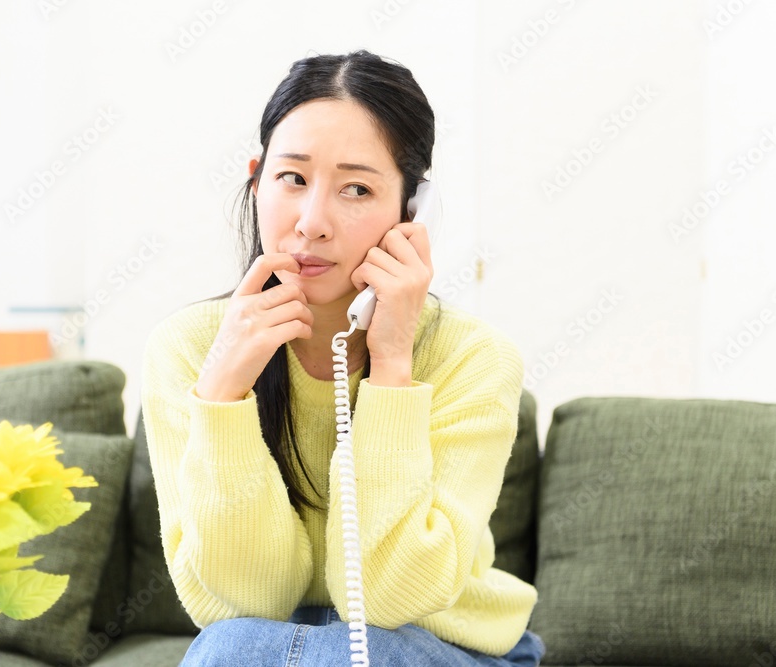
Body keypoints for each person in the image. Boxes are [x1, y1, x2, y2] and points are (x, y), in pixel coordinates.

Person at [141, 50, 546, 666]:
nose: (312, 223)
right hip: (259, 647)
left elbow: (386, 598)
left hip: (436, 644)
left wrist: (392, 367)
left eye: (356, 189)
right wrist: (222, 397)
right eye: (292, 178)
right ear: (256, 182)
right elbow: (241, 603)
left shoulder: (475, 359)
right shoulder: (188, 350)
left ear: (412, 211)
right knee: (233, 644)